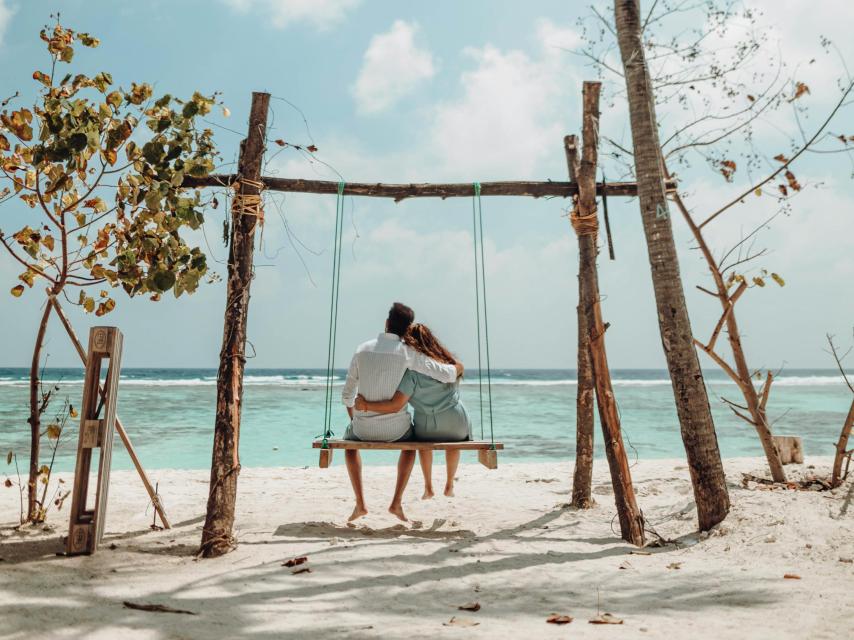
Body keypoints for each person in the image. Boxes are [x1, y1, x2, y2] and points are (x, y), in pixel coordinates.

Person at [341, 303, 463, 522]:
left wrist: (357, 418)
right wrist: (457, 368)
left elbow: (347, 396)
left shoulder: (362, 349)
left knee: (349, 446)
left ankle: (360, 504)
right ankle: (396, 503)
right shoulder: (409, 353)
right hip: (397, 431)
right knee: (410, 447)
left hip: (362, 429)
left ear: (386, 323)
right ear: (408, 329)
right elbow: (445, 374)